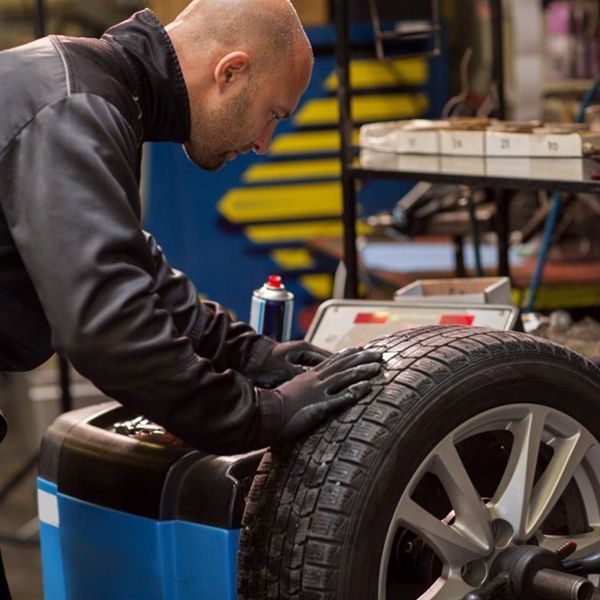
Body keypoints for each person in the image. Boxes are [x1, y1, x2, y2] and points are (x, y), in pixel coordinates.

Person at [0, 0, 383, 462]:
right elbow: (110, 329)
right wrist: (263, 415)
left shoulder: (92, 89)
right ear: (230, 72)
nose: (264, 144)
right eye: (273, 114)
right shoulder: (75, 106)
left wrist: (252, 355)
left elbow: (127, 264)